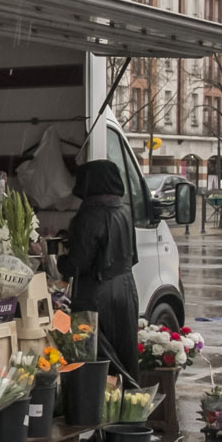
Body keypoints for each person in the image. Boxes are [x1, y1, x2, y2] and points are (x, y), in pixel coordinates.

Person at [59, 160, 139, 387]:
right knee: (124, 351)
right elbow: (132, 256)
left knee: (99, 354)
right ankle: (129, 399)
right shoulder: (124, 210)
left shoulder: (91, 214)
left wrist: (59, 260)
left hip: (97, 293)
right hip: (125, 289)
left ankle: (102, 403)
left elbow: (79, 263)